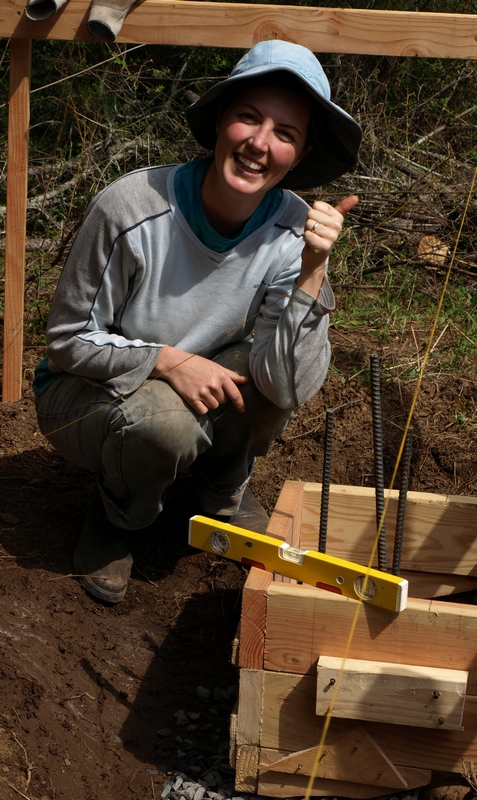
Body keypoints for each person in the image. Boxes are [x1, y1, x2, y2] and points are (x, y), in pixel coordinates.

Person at [34, 40, 362, 604]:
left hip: (194, 384)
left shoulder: (293, 233)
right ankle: (119, 517)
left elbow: (288, 386)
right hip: (81, 394)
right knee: (164, 426)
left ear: (301, 156)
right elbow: (67, 342)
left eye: (285, 133)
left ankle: (221, 489)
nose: (260, 144)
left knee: (259, 375)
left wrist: (313, 270)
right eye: (248, 118)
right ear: (218, 122)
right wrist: (166, 360)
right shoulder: (131, 207)